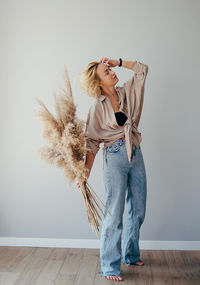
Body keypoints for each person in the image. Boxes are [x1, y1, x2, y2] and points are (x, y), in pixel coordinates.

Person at [77, 57, 149, 282]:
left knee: (138, 209)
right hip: (114, 156)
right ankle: (110, 266)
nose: (111, 72)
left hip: (135, 152)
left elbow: (142, 70)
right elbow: (91, 143)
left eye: (110, 69)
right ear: (98, 82)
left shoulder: (127, 92)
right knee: (114, 213)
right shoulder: (97, 107)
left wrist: (118, 61)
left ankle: (131, 254)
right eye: (106, 71)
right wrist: (85, 171)